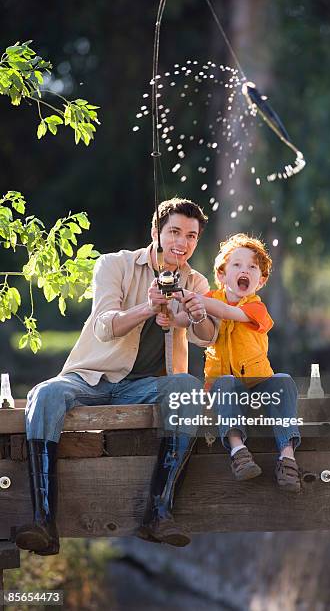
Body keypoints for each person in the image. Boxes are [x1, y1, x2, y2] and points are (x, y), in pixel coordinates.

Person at [15, 198, 219, 554]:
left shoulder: (196, 281)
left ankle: (159, 513)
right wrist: (147, 307)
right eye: (174, 232)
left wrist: (199, 313)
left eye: (191, 236)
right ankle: (44, 522)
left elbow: (207, 337)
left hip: (145, 387)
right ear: (155, 232)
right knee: (44, 394)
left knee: (186, 387)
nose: (182, 243)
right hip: (91, 376)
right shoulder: (114, 264)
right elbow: (104, 326)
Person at [162, 233, 302, 492]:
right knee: (225, 384)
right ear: (223, 274)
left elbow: (228, 312)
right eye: (236, 265)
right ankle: (239, 451)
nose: (244, 270)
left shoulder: (257, 309)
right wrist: (173, 315)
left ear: (260, 281)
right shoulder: (211, 297)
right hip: (224, 385)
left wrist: (197, 299)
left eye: (252, 267)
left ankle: (287, 457)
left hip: (259, 383)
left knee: (284, 381)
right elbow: (186, 319)